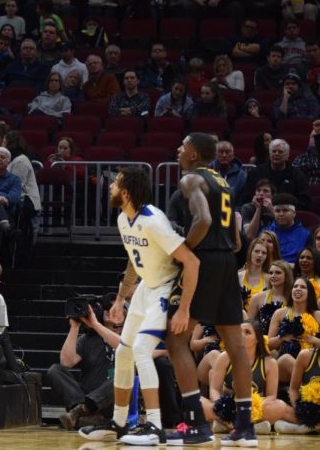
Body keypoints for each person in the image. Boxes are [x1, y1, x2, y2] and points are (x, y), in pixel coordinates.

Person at [80, 167, 199, 445]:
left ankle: (155, 427)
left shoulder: (154, 221)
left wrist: (184, 308)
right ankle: (119, 423)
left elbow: (191, 261)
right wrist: (121, 297)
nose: (110, 187)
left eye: (115, 184)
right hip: (145, 288)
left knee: (143, 350)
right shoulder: (124, 219)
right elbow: (135, 260)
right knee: (124, 352)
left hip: (166, 289)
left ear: (126, 191)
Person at [165, 133, 253, 445]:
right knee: (235, 345)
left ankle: (195, 424)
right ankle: (245, 427)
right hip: (228, 261)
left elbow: (201, 220)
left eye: (182, 146)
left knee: (176, 341)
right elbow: (239, 238)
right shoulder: (222, 181)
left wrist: (185, 251)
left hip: (205, 261)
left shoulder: (190, 180)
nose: (177, 150)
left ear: (193, 154)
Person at [49, 293, 126, 431]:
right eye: (107, 307)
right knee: (55, 370)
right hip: (85, 395)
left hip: (113, 400)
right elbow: (66, 362)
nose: (110, 311)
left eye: (116, 308)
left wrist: (95, 324)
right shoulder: (89, 339)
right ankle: (84, 412)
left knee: (123, 376)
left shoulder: (129, 335)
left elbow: (124, 347)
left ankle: (81, 413)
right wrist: (74, 327)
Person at [243, 139, 311, 209]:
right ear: (269, 154)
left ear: (287, 155)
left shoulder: (298, 175)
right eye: (274, 151)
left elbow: (304, 202)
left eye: (280, 152)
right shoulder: (255, 173)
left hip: (287, 214)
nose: (276, 154)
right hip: (260, 212)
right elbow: (246, 197)